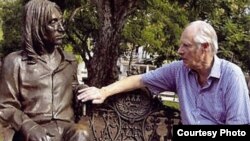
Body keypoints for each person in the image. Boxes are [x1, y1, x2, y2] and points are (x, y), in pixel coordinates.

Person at [77, 20, 250, 125]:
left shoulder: (232, 76)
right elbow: (139, 80)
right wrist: (103, 91)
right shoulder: (179, 70)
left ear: (205, 48)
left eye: (186, 46)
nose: (179, 51)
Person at [0, 0, 91, 140]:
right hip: (32, 129)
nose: (61, 28)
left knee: (81, 134)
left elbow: (71, 87)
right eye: (53, 22)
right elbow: (6, 107)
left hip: (66, 128)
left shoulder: (69, 60)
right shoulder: (14, 62)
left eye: (61, 22)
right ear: (36, 25)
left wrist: (81, 90)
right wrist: (28, 126)